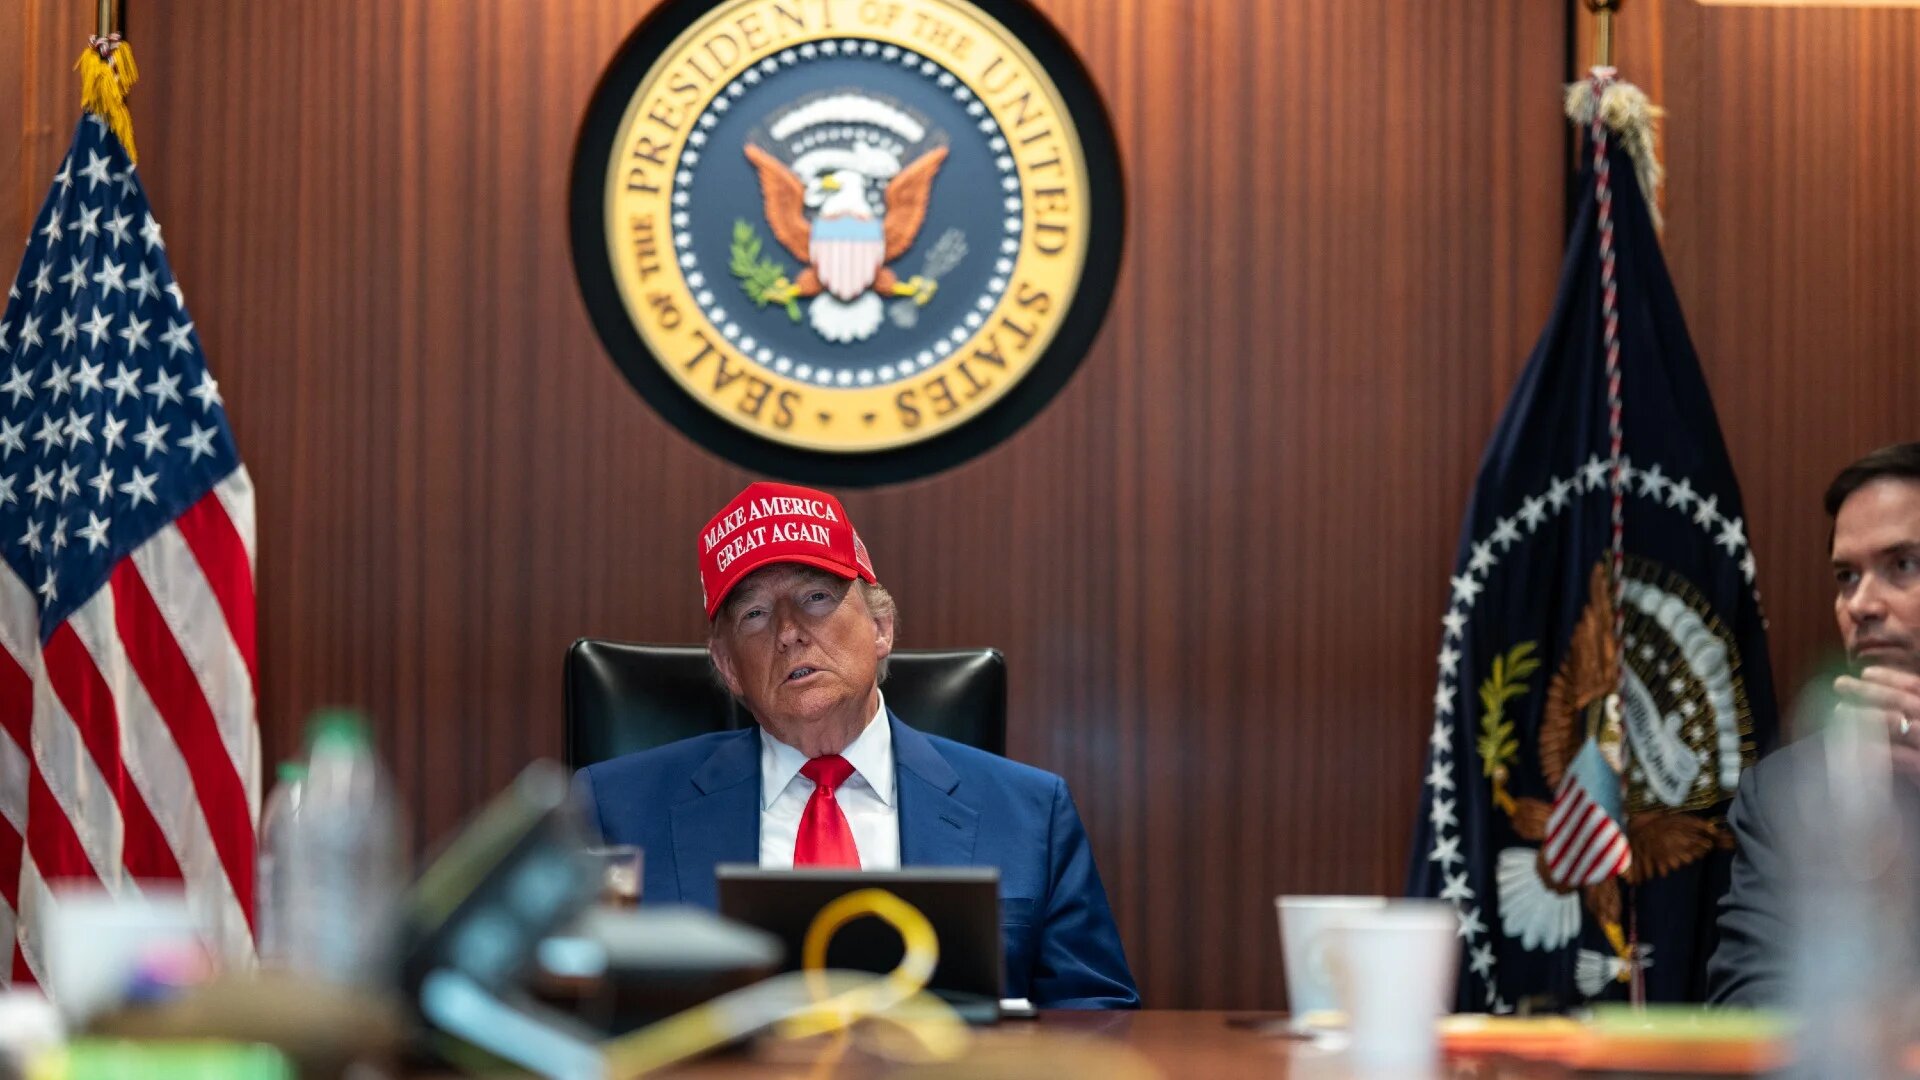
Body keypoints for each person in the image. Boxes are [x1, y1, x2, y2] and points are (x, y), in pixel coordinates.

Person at [574, 481, 1139, 1008]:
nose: (789, 631)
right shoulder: (616, 810)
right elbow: (561, 1013)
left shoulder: (1031, 814)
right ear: (728, 668)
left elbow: (1098, 1021)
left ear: (881, 628)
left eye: (817, 596)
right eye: (754, 613)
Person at [1708, 443, 1920, 1006]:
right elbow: (1747, 1003)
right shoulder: (1784, 791)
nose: (1861, 604)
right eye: (1847, 577)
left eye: (1903, 564)